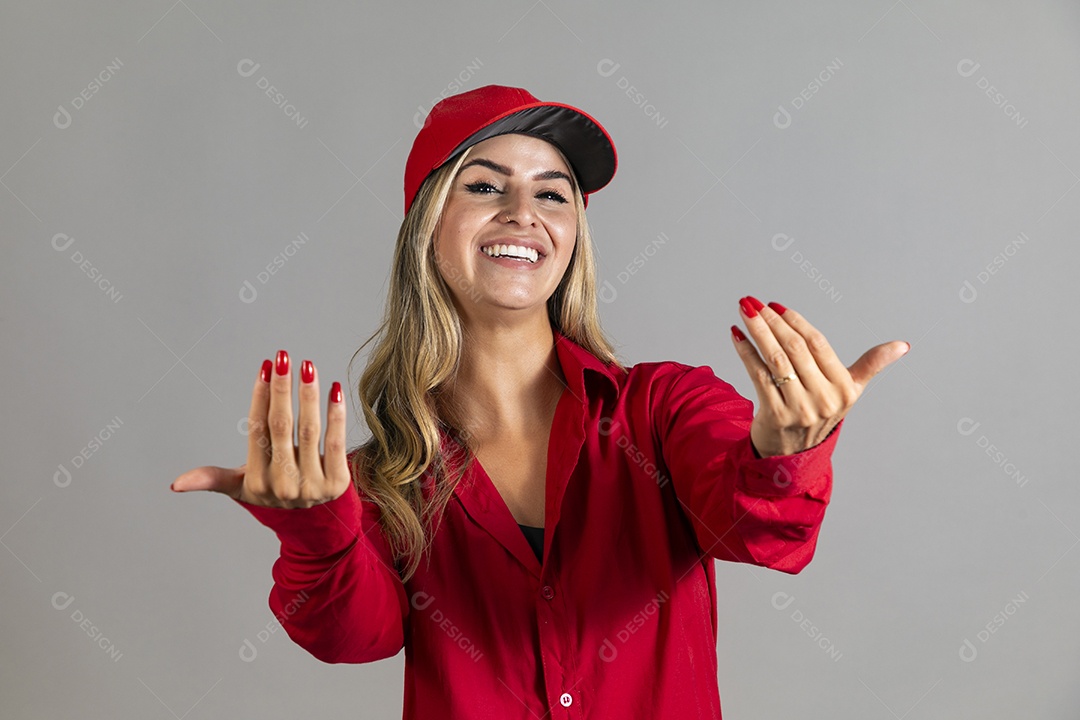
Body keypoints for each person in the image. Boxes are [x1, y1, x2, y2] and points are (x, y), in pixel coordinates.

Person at [171, 84, 908, 718]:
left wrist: (785, 455)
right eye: (485, 187)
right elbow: (353, 638)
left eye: (552, 194)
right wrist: (316, 532)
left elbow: (759, 535)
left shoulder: (664, 408)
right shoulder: (376, 480)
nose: (523, 212)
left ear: (572, 236)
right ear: (428, 223)